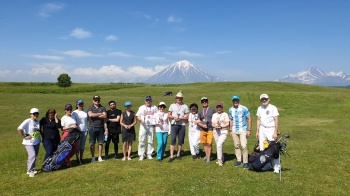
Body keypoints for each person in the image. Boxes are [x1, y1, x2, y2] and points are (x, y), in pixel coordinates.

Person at [256, 93, 280, 173]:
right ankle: (267, 165)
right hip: (262, 129)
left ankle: (276, 166)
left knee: (273, 148)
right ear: (260, 100)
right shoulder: (259, 108)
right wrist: (257, 131)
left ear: (268, 99)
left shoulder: (273, 107)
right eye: (262, 99)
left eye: (265, 99)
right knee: (263, 148)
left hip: (271, 129)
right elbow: (258, 120)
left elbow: (276, 119)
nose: (264, 100)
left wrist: (275, 131)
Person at [228, 95, 252, 169]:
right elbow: (230, 120)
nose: (235, 102)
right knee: (236, 146)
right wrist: (231, 130)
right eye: (234, 100)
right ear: (232, 101)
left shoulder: (244, 108)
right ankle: (239, 160)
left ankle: (245, 162)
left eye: (236, 100)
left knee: (244, 146)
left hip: (243, 130)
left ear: (239, 101)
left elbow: (249, 119)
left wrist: (249, 130)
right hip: (234, 130)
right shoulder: (230, 109)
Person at [17, 108, 41, 177]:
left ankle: (32, 169)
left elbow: (37, 131)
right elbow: (19, 128)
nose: (35, 115)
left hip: (36, 142)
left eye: (37, 113)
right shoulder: (28, 121)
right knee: (32, 155)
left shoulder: (38, 122)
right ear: (30, 114)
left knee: (34, 156)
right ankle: (30, 171)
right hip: (28, 142)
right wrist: (24, 136)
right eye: (34, 114)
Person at [168, 90, 189, 162]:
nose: (179, 99)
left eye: (180, 98)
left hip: (182, 125)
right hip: (174, 124)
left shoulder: (185, 106)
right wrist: (174, 117)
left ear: (182, 99)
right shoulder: (172, 105)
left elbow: (187, 116)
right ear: (176, 98)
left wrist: (181, 118)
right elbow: (169, 115)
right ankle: (171, 155)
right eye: (177, 98)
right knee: (173, 139)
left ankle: (178, 154)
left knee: (180, 140)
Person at [136, 96, 158, 161]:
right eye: (147, 100)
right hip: (143, 126)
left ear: (151, 101)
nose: (148, 101)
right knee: (142, 140)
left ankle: (149, 154)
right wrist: (141, 120)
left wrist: (155, 123)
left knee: (150, 140)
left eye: (149, 100)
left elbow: (157, 116)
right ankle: (141, 154)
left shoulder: (154, 107)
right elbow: (137, 116)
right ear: (145, 101)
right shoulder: (141, 107)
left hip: (151, 126)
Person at [87, 95, 107, 163]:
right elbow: (90, 115)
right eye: (95, 100)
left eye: (98, 100)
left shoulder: (103, 107)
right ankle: (93, 157)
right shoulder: (90, 107)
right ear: (93, 101)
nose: (97, 101)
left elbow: (104, 116)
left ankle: (99, 157)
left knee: (100, 143)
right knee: (92, 143)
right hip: (92, 127)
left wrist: (95, 115)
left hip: (101, 127)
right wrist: (99, 114)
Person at [197, 97, 216, 163]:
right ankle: (207, 155)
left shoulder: (212, 110)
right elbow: (198, 121)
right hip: (202, 129)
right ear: (201, 103)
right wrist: (202, 125)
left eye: (205, 101)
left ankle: (208, 158)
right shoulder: (200, 112)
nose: (204, 102)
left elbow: (216, 118)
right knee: (204, 143)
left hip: (210, 129)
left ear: (207, 102)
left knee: (209, 143)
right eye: (203, 102)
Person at [211, 102, 230, 167]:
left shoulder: (225, 114)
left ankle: (219, 160)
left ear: (222, 108)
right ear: (216, 108)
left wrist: (222, 127)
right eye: (218, 107)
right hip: (216, 131)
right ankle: (222, 158)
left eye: (220, 107)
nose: (219, 108)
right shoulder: (214, 115)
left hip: (223, 131)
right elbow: (212, 123)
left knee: (219, 145)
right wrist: (215, 126)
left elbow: (227, 123)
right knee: (219, 146)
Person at [72, 99, 89, 164]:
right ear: (77, 105)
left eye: (81, 104)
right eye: (79, 104)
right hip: (78, 131)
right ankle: (77, 159)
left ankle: (81, 158)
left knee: (82, 145)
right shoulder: (74, 112)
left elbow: (87, 120)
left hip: (85, 130)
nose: (80, 105)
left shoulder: (86, 111)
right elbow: (74, 121)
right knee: (77, 145)